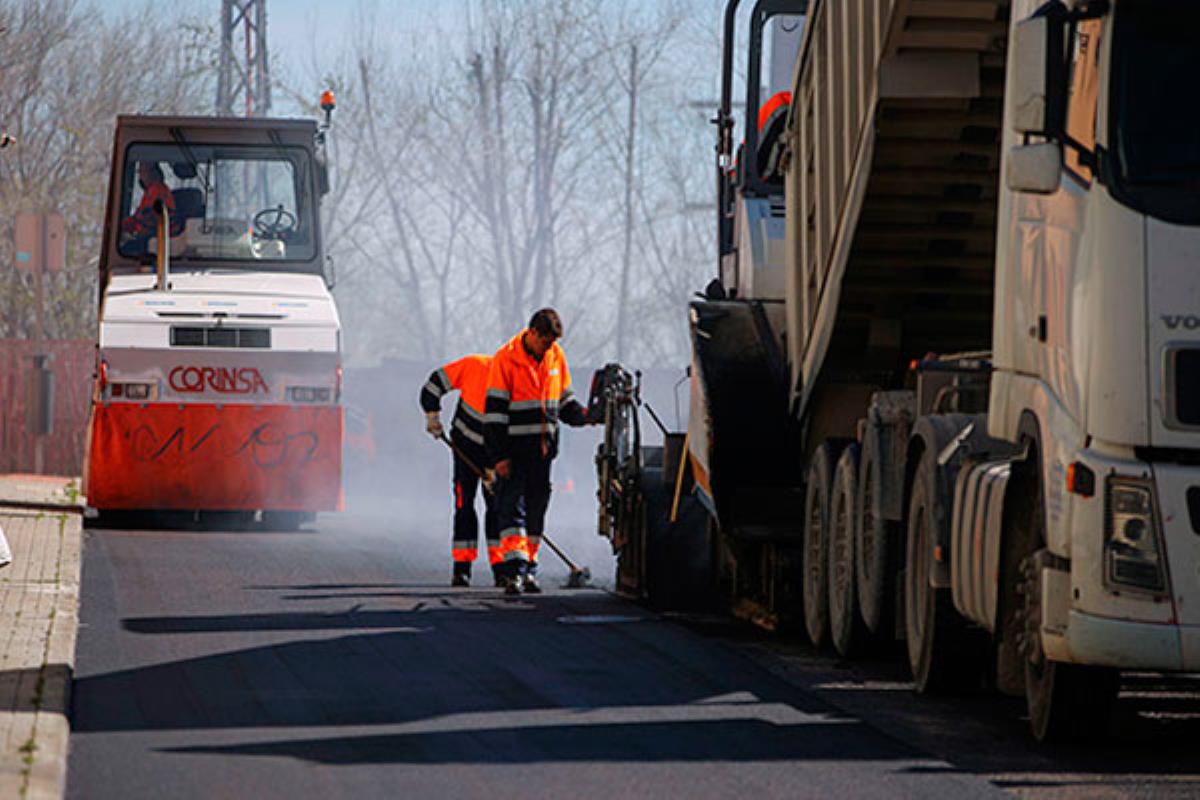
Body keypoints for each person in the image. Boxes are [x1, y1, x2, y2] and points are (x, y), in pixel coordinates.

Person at [484, 308, 591, 594]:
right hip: (514, 452)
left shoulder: (556, 357)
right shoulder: (505, 359)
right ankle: (514, 572)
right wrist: (500, 457)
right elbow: (494, 414)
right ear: (532, 333)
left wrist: (585, 415)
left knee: (536, 511)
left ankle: (529, 568)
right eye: (546, 341)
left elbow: (563, 399)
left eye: (553, 342)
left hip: (543, 452)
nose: (549, 347)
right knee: (512, 512)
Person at [420, 354, 501, 587]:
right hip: (465, 448)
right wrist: (432, 416)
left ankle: (502, 569)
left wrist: (496, 469)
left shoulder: (516, 384)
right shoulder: (473, 366)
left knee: (497, 507)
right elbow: (433, 386)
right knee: (464, 504)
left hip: (496, 453)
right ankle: (462, 568)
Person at [120, 161, 176, 255]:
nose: (140, 175)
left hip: (155, 238)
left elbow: (148, 218)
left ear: (153, 172)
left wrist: (129, 226)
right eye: (139, 171)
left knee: (126, 250)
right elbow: (138, 217)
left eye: (142, 171)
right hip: (149, 236)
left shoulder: (157, 190)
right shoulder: (150, 192)